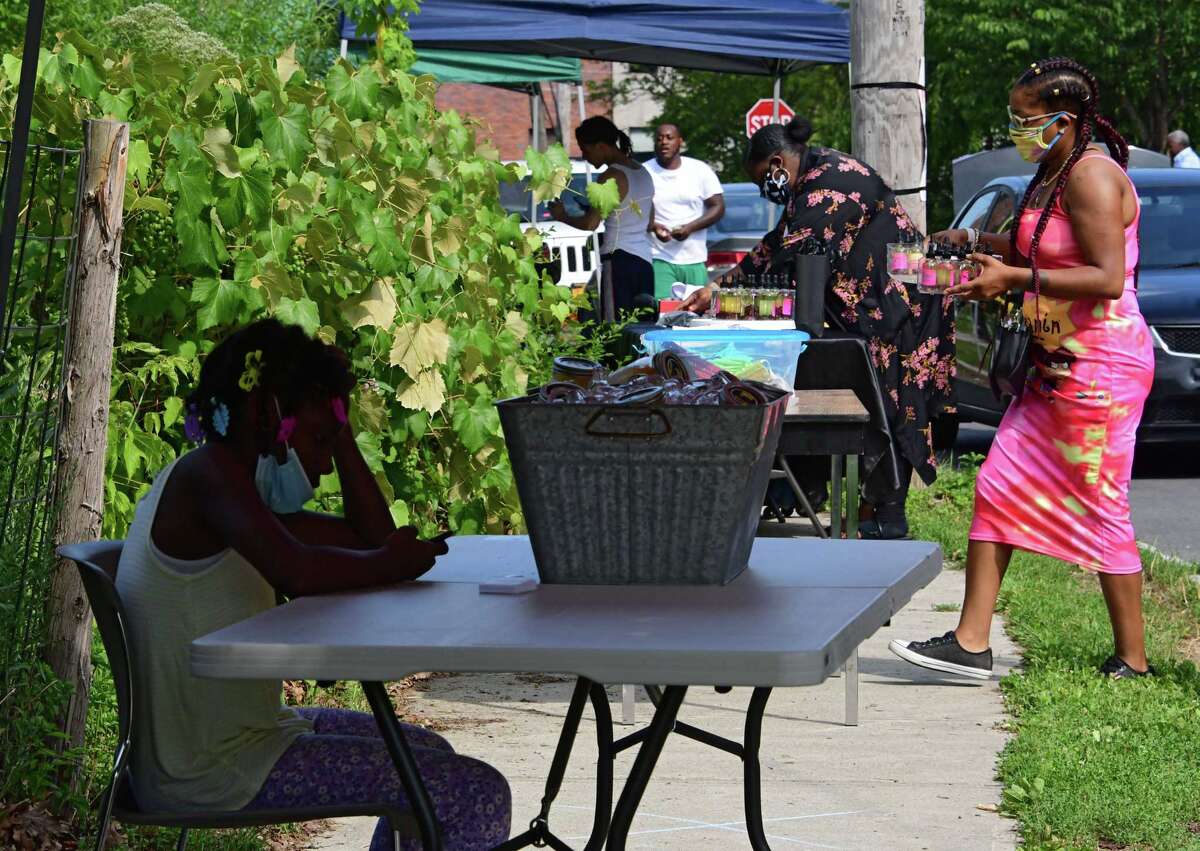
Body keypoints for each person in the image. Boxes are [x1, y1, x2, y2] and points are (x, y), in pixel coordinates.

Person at [115, 319, 511, 849]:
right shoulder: (207, 479)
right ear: (267, 412)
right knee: (473, 792)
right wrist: (390, 562)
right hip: (212, 769)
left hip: (251, 736)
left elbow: (370, 538)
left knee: (431, 756)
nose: (324, 466)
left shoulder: (238, 492)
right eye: (320, 440)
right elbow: (298, 572)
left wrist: (341, 435)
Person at [890, 57, 1155, 681]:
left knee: (1100, 501)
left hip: (1100, 364)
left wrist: (1012, 278)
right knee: (998, 483)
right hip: (1052, 361)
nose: (1017, 129)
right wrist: (979, 245)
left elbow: (1107, 278)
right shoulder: (1051, 172)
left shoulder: (1092, 176)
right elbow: (1044, 249)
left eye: (1026, 118)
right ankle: (970, 642)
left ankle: (1133, 659)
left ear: (1065, 119)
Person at [681, 117, 955, 539]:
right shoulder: (811, 176)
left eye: (760, 180)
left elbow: (796, 256)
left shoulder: (829, 186)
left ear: (777, 163)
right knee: (874, 399)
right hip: (876, 306)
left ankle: (885, 516)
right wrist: (717, 288)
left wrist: (729, 295)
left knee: (889, 406)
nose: (763, 191)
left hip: (899, 309)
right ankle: (815, 490)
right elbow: (776, 244)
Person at [550, 116, 656, 318]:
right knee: (642, 324)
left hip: (618, 260)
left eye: (586, 150)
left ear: (601, 146)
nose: (584, 156)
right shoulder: (643, 172)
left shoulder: (611, 176)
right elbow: (649, 221)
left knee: (614, 324)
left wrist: (562, 216)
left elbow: (590, 223)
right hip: (644, 261)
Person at [645, 123, 725, 299]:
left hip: (694, 257)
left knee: (697, 308)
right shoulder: (644, 172)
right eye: (659, 138)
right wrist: (654, 227)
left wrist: (690, 228)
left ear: (680, 141)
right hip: (659, 256)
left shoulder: (699, 170)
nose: (664, 142)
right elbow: (635, 210)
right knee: (664, 309)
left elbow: (718, 206)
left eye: (669, 137)